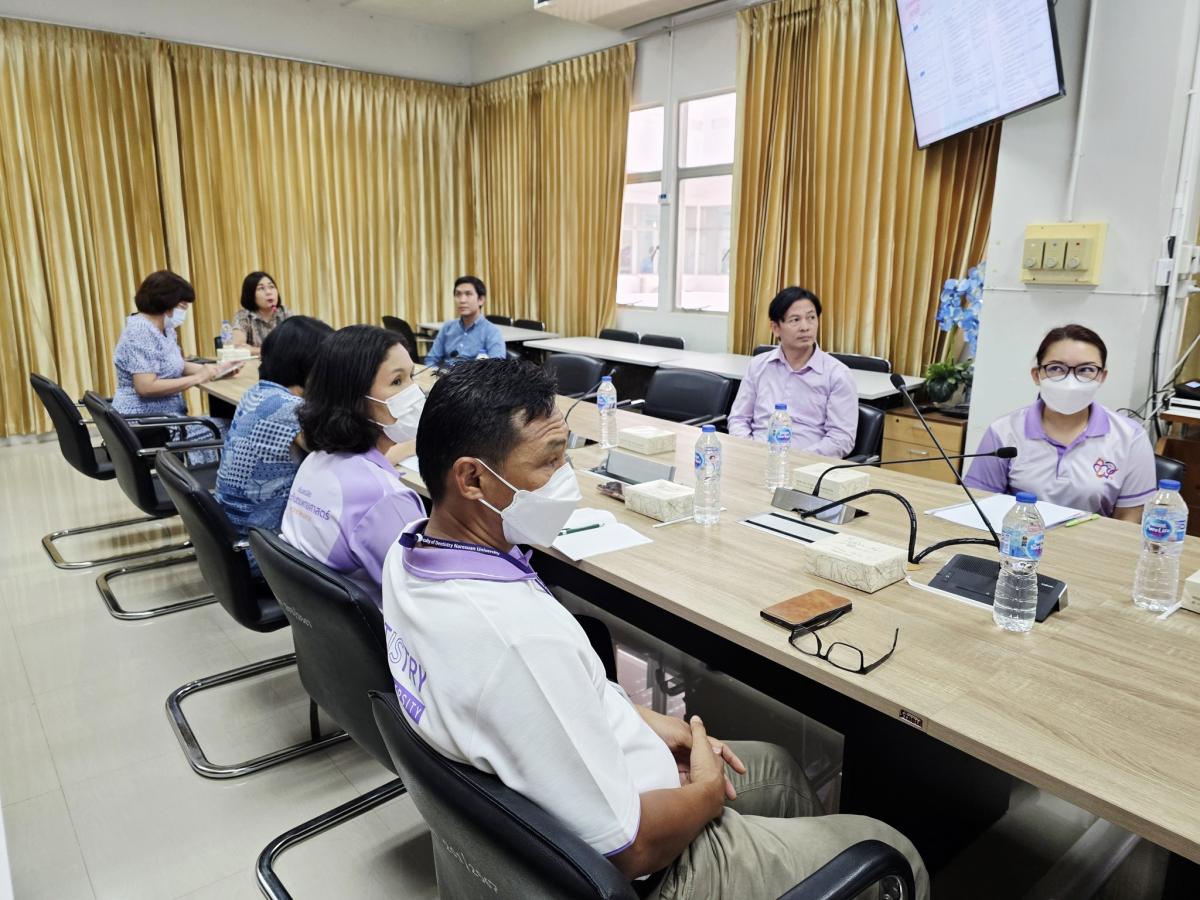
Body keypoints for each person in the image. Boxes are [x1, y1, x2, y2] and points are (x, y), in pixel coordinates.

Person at [382, 358, 928, 899]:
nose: (566, 477)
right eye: (550, 461)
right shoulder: (517, 640)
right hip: (660, 867)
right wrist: (706, 794)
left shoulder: (408, 555)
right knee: (890, 848)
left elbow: (543, 702)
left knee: (779, 769)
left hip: (589, 796)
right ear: (473, 478)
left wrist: (637, 719)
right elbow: (632, 848)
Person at [280, 325, 425, 606]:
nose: (414, 393)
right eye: (397, 381)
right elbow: (427, 596)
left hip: (323, 622)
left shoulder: (315, 461)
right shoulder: (384, 499)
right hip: (382, 627)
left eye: (412, 376)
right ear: (355, 399)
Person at [964, 324, 1156, 521]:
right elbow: (980, 503)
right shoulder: (1004, 431)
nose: (1070, 381)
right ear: (1037, 375)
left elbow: (1129, 517)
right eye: (1056, 368)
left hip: (1093, 540)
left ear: (1101, 377)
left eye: (1086, 370)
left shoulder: (1130, 437)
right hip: (1017, 536)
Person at [214, 316, 333, 569]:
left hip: (230, 537)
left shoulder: (258, 392)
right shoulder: (289, 409)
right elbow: (347, 460)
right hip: (262, 552)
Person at [112, 270, 239, 446]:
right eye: (183, 306)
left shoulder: (164, 328)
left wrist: (218, 370)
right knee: (235, 428)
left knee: (230, 423)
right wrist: (198, 378)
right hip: (146, 426)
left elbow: (174, 364)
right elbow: (145, 386)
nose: (184, 312)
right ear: (167, 304)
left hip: (164, 418)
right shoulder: (141, 331)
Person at [728, 287, 858, 458]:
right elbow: (738, 419)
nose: (805, 327)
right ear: (775, 328)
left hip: (808, 464)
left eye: (811, 318)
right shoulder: (758, 366)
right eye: (795, 320)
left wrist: (795, 460)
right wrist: (751, 450)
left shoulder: (837, 374)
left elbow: (841, 438)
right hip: (756, 457)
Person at [423, 275, 505, 368]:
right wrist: (436, 373)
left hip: (473, 377)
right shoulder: (447, 327)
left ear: (481, 300)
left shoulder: (492, 332)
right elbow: (431, 359)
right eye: (458, 294)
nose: (462, 300)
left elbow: (497, 368)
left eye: (468, 294)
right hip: (444, 375)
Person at [231, 271, 292, 355]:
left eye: (271, 287)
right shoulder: (244, 316)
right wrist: (270, 351)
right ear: (251, 295)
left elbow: (300, 342)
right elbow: (238, 347)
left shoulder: (285, 313)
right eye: (261, 288)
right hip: (255, 363)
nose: (269, 292)